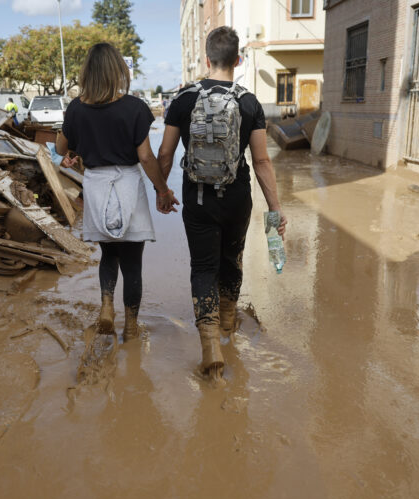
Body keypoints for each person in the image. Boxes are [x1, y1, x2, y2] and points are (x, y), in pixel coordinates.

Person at [158, 26, 287, 381]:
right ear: (238, 60)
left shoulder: (183, 99)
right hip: (237, 198)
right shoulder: (249, 102)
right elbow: (262, 161)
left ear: (206, 58)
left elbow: (165, 153)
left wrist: (161, 192)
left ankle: (211, 345)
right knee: (232, 259)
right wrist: (275, 208)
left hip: (197, 198)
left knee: (203, 268)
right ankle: (229, 324)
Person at [55, 43, 179, 342]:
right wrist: (162, 189)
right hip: (127, 184)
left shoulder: (75, 108)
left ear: (88, 73)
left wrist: (72, 138)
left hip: (96, 184)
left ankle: (107, 306)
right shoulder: (134, 108)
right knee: (132, 262)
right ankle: (132, 326)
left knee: (108, 255)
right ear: (118, 71)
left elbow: (61, 149)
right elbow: (146, 158)